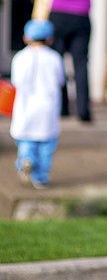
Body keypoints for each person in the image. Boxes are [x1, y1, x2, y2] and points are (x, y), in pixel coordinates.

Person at [32, 0, 103, 123]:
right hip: (81, 18)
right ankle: (83, 111)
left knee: (57, 62)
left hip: (59, 17)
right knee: (81, 64)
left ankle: (62, 108)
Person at [10, 19, 64, 189]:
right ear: (49, 39)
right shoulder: (54, 57)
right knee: (46, 145)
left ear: (26, 38)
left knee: (26, 140)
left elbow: (15, 81)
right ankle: (40, 177)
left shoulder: (20, 57)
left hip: (26, 107)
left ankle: (26, 160)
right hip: (47, 108)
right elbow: (61, 80)